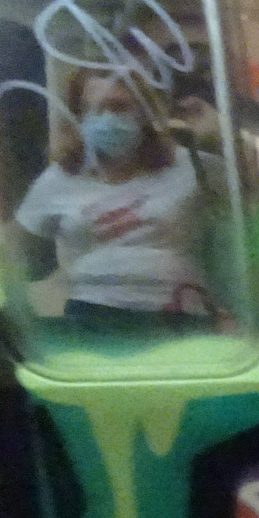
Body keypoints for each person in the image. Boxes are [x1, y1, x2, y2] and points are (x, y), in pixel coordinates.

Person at [14, 70, 217, 328]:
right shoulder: (59, 179)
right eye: (93, 110)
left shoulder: (191, 166)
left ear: (144, 113)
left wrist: (218, 132)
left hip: (178, 312)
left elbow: (255, 185)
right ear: (77, 117)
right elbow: (18, 255)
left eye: (119, 107)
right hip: (92, 319)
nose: (107, 119)